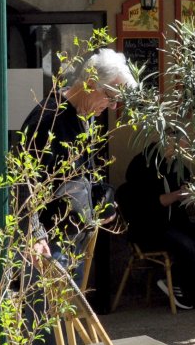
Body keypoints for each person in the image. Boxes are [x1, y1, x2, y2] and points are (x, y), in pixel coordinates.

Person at [17, 48, 136, 276]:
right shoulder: (49, 119)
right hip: (47, 246)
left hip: (71, 240)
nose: (112, 107)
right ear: (91, 83)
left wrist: (101, 198)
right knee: (47, 311)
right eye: (111, 98)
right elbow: (23, 182)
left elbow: (78, 175)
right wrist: (34, 234)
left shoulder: (83, 116)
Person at [117, 142, 195, 309]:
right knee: (185, 245)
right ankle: (190, 290)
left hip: (176, 226)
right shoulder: (137, 181)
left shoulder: (174, 169)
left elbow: (183, 196)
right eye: (172, 146)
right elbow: (155, 202)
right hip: (150, 230)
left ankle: (177, 278)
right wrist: (178, 194)